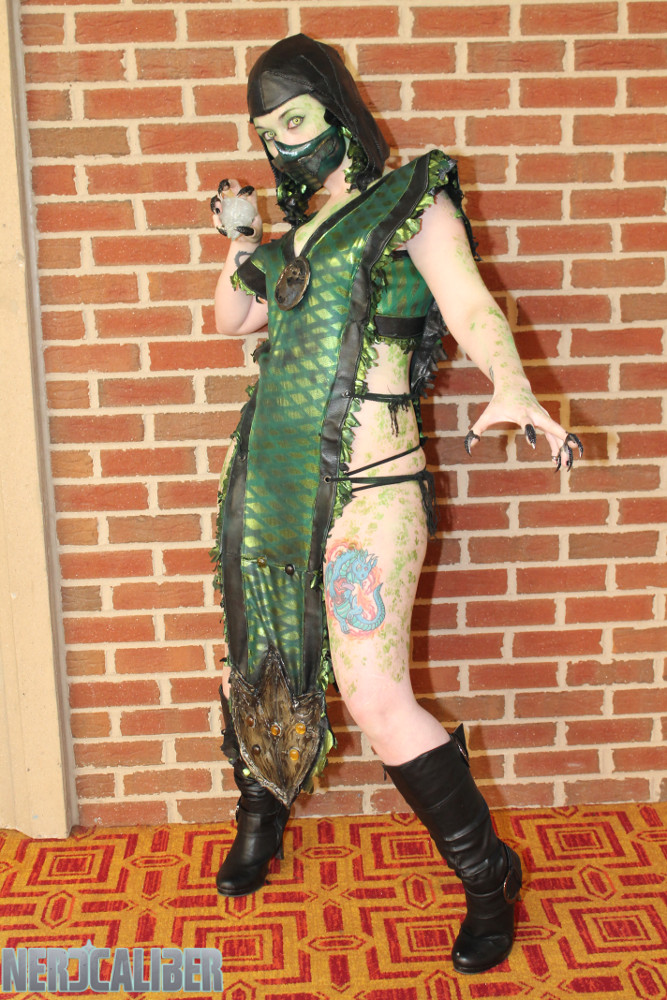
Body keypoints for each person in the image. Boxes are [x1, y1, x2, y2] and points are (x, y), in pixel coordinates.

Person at [209, 34, 582, 975]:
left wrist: (513, 383)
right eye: (267, 131)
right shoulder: (293, 241)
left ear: (338, 111)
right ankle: (260, 813)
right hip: (271, 482)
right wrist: (241, 237)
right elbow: (232, 318)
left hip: (372, 488)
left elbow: (467, 302)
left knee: (374, 695)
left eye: (296, 119)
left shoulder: (409, 198)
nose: (284, 144)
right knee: (260, 652)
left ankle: (487, 877)